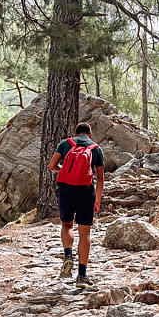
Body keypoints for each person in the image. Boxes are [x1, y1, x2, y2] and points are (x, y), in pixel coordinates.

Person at [47, 122, 105, 288]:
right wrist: (97, 200)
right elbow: (100, 179)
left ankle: (68, 255)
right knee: (84, 232)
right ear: (90, 135)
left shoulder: (66, 143)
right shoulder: (96, 148)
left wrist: (66, 170)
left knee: (67, 225)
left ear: (76, 133)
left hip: (66, 190)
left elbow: (52, 166)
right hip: (86, 192)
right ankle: (81, 275)